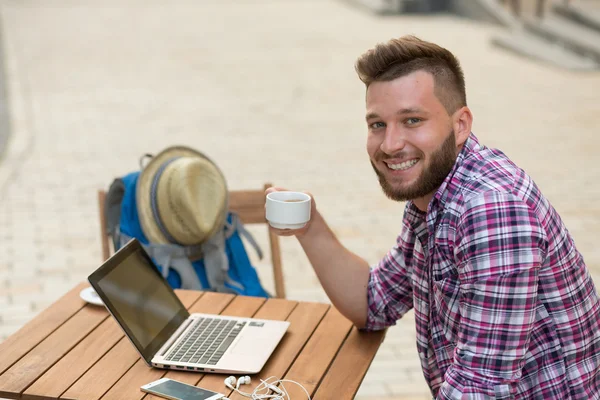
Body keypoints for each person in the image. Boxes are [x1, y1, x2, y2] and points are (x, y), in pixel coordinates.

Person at [267, 36, 600, 399]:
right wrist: (310, 226)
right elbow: (373, 302)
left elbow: (480, 390)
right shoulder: (433, 196)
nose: (390, 144)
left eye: (412, 120)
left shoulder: (492, 210)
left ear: (460, 125)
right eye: (377, 124)